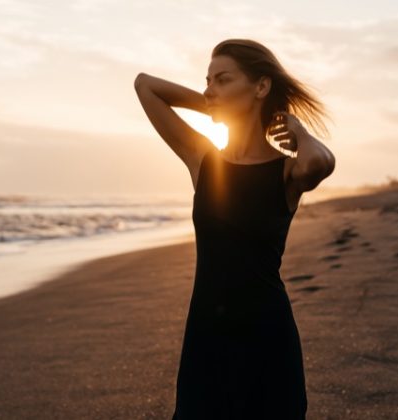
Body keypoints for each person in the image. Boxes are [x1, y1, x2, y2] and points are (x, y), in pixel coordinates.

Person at [134, 38, 335, 419]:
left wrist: (298, 130)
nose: (210, 89)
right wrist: (214, 106)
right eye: (208, 81)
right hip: (206, 336)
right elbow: (145, 85)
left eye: (223, 79)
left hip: (267, 336)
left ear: (261, 86)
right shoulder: (202, 160)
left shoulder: (287, 171)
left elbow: (319, 162)